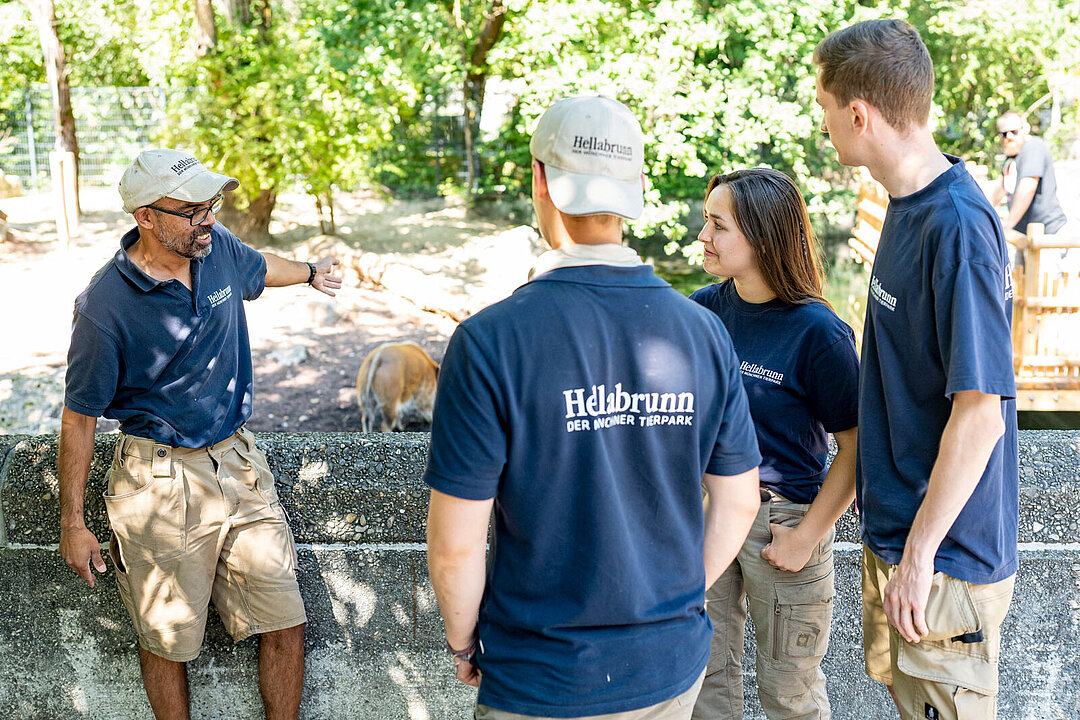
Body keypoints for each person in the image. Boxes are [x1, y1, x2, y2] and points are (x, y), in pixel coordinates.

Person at [424, 95, 763, 720]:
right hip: (669, 668)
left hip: (540, 678)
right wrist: (677, 600)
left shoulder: (489, 342)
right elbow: (740, 499)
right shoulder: (704, 332)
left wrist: (462, 638)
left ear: (541, 180)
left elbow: (455, 544)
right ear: (637, 186)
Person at [58, 148, 342, 720]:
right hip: (158, 479)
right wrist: (72, 523)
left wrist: (312, 274)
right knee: (168, 643)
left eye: (211, 204)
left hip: (238, 462)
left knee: (286, 618)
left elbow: (260, 267)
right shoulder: (103, 308)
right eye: (191, 210)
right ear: (145, 216)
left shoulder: (217, 250)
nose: (208, 218)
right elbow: (79, 418)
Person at [814, 19, 1018, 720]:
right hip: (902, 544)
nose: (824, 125)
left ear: (859, 114)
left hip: (943, 561)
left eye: (824, 108)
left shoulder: (956, 227)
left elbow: (981, 413)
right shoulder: (906, 205)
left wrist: (921, 556)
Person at [688, 168, 859, 720]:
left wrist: (807, 537)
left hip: (782, 524)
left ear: (762, 235)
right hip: (710, 517)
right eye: (705, 221)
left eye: (717, 225)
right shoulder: (702, 311)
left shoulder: (819, 332)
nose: (702, 236)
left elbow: (857, 448)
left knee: (791, 695)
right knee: (705, 686)